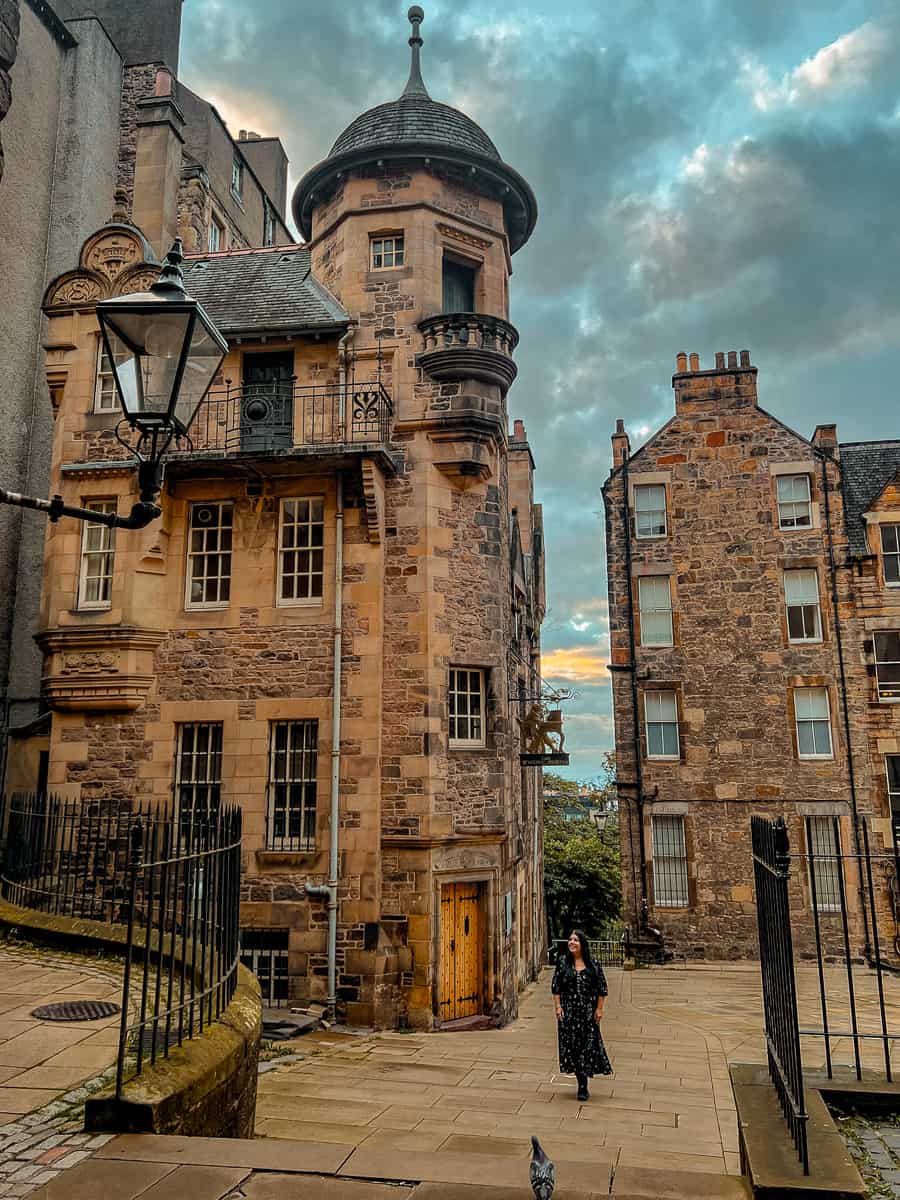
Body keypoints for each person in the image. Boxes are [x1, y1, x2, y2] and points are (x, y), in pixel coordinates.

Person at [551, 929, 612, 1101]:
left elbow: (602, 989)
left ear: (582, 944)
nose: (571, 942)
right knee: (574, 1048)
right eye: (570, 939)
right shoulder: (563, 962)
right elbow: (556, 987)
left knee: (588, 1047)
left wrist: (599, 1009)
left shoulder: (593, 964)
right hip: (569, 1013)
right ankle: (581, 1084)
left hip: (587, 1014)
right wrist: (558, 1007)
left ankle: (584, 1082)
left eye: (575, 940)